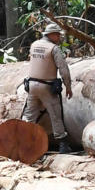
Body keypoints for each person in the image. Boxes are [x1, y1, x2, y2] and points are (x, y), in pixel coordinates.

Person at [21, 21, 74, 153]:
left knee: (29, 115)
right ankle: (62, 144)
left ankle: (21, 141)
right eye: (58, 35)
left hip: (31, 85)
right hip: (46, 86)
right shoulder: (53, 49)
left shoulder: (34, 45)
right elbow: (63, 69)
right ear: (52, 35)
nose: (59, 38)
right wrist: (68, 86)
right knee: (55, 114)